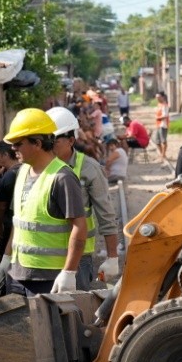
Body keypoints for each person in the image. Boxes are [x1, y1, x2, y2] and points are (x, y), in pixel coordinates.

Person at [0, 108, 88, 362]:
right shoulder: (24, 173)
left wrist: (69, 271)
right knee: (25, 337)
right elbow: (19, 220)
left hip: (47, 275)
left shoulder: (62, 178)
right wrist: (8, 255)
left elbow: (79, 225)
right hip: (20, 271)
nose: (14, 151)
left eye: (18, 144)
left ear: (36, 142)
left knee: (51, 338)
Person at [46, 106, 122, 288]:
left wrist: (112, 257)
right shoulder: (39, 167)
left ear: (70, 140)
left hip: (78, 258)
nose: (49, 147)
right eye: (46, 141)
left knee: (75, 311)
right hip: (42, 259)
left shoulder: (89, 168)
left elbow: (106, 214)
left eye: (54, 141)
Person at [0, 141, 19, 259]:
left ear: (5, 155)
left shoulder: (10, 176)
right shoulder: (11, 172)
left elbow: (1, 205)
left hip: (8, 226)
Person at [154, 91, 171, 159]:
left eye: (158, 97)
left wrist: (157, 118)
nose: (157, 98)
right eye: (156, 97)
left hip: (163, 125)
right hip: (158, 125)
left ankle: (163, 155)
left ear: (162, 97)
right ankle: (162, 154)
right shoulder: (159, 105)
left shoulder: (164, 105)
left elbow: (165, 115)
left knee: (163, 141)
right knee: (157, 141)